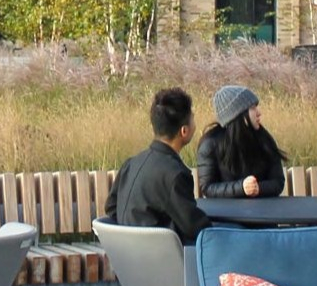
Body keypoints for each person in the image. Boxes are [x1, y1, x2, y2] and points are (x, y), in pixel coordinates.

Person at [104, 87, 211, 244]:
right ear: (184, 131)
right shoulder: (175, 174)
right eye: (192, 118)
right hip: (165, 256)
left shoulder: (131, 163)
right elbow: (195, 227)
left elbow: (111, 207)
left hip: (128, 255)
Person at [195, 84, 286, 199]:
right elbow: (208, 188)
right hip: (227, 210)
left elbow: (278, 181)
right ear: (238, 115)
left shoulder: (264, 138)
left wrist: (259, 188)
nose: (259, 113)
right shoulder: (210, 144)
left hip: (263, 208)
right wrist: (241, 188)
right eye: (252, 108)